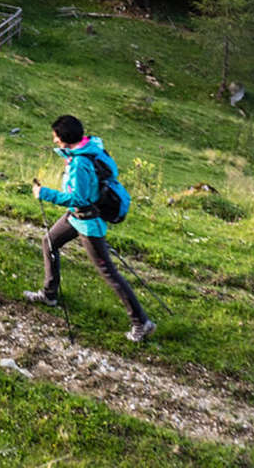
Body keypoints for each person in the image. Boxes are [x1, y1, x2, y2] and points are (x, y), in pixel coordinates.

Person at [32, 114, 154, 342]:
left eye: (56, 137)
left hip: (88, 223)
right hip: (76, 217)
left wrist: (43, 193)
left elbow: (78, 198)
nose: (55, 141)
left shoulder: (81, 163)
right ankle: (49, 294)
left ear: (66, 138)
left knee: (108, 272)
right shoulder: (90, 150)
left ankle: (142, 322)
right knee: (49, 241)